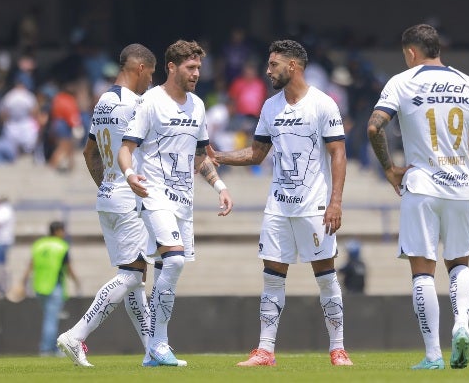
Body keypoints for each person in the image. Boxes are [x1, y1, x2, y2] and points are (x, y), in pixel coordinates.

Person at [210, 39, 353, 367]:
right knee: (272, 277)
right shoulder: (270, 106)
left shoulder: (323, 104)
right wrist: (221, 156)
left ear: (293, 66)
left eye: (273, 64)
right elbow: (257, 153)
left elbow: (338, 153)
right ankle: (265, 350)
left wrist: (336, 202)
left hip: (314, 206)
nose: (267, 70)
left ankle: (338, 349)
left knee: (326, 276)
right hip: (278, 207)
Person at [366, 23, 469, 370]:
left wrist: (390, 168)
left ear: (411, 52)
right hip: (461, 185)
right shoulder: (467, 83)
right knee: (460, 263)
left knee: (423, 272)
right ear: (439, 50)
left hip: (421, 185)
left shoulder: (402, 82)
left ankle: (433, 354)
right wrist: (455, 160)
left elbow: (374, 126)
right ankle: (461, 323)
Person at [118, 39, 233, 367]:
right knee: (175, 261)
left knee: (164, 267)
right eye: (190, 67)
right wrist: (129, 174)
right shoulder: (150, 102)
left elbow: (201, 157)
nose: (197, 73)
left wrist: (220, 186)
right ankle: (160, 343)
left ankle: (152, 351)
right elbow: (125, 147)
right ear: (171, 67)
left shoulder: (197, 106)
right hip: (153, 195)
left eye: (199, 67)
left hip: (184, 202)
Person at [56, 43, 158, 368]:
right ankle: (76, 335)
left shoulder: (103, 101)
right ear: (140, 68)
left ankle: (153, 350)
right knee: (132, 275)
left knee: (135, 275)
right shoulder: (137, 103)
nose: (152, 82)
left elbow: (89, 152)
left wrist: (106, 186)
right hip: (130, 196)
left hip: (108, 196)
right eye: (151, 74)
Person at [21, 221, 81, 356]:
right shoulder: (61, 246)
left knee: (49, 318)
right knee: (51, 319)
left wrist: (23, 281)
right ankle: (46, 349)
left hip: (39, 287)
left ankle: (51, 348)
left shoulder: (39, 244)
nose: (64, 234)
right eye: (63, 231)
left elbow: (31, 265)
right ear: (58, 231)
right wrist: (76, 281)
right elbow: (68, 268)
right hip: (55, 286)